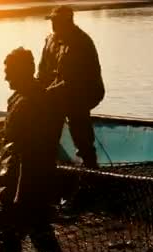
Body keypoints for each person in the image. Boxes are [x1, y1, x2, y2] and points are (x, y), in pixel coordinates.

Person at [0, 47, 66, 252]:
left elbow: (35, 149)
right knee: (38, 225)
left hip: (25, 178)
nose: (5, 75)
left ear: (23, 71)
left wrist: (19, 192)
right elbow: (14, 136)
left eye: (9, 71)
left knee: (12, 229)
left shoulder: (36, 101)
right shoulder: (17, 97)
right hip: (13, 175)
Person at [37, 5, 105, 169]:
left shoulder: (81, 42)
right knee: (47, 126)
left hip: (83, 93)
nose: (53, 25)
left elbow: (73, 80)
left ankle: (90, 165)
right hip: (59, 94)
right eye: (52, 21)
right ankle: (46, 162)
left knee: (79, 124)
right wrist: (36, 89)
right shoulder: (50, 40)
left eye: (56, 21)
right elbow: (42, 71)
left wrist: (46, 93)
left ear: (67, 21)